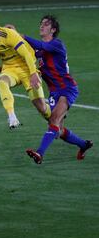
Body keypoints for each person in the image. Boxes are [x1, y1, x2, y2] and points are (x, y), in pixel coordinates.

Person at [5, 15, 93, 164]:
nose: (42, 26)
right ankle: (84, 145)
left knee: (53, 120)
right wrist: (3, 68)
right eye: (41, 23)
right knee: (58, 131)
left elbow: (39, 44)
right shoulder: (39, 53)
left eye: (46, 24)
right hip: (53, 93)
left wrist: (19, 35)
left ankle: (39, 154)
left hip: (67, 88)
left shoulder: (57, 44)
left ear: (53, 30)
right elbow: (26, 60)